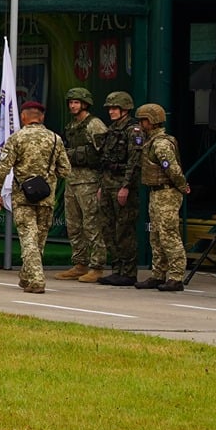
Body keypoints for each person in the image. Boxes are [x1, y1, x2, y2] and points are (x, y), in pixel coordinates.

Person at [0, 99, 71, 294]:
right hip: (46, 197)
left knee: (28, 239)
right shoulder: (55, 139)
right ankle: (27, 277)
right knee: (38, 241)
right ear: (41, 117)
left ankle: (35, 280)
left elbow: (3, 168)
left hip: (23, 197)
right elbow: (66, 170)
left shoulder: (16, 138)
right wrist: (48, 176)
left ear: (23, 117)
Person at [133, 102, 190, 291]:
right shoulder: (149, 141)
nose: (141, 124)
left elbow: (171, 168)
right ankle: (158, 275)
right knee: (155, 236)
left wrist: (182, 185)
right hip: (155, 192)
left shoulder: (162, 144)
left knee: (169, 234)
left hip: (167, 192)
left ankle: (176, 276)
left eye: (144, 120)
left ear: (153, 121)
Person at [55, 86, 108, 282]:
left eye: (76, 102)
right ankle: (80, 263)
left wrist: (103, 184)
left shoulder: (95, 125)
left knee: (92, 224)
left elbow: (104, 155)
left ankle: (97, 266)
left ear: (85, 104)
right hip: (72, 180)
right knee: (74, 225)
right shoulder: (72, 126)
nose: (72, 105)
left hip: (90, 181)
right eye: (70, 102)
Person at [95, 91, 142, 285]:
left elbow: (135, 162)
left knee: (124, 229)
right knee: (107, 228)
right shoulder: (112, 129)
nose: (111, 112)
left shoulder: (134, 131)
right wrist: (101, 186)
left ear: (124, 109)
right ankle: (117, 268)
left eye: (115, 108)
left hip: (122, 185)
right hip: (107, 184)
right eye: (110, 108)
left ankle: (128, 272)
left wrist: (126, 187)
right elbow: (104, 160)